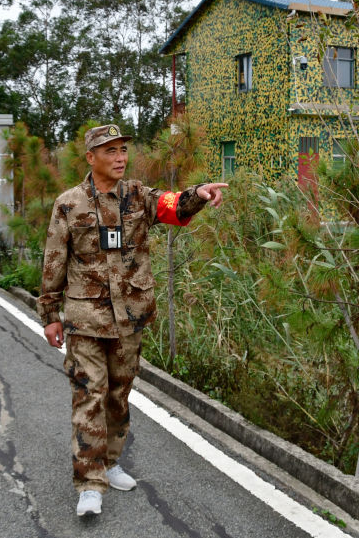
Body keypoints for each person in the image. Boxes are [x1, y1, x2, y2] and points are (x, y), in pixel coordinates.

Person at [39, 123, 227, 517]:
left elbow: (173, 206)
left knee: (118, 396)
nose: (120, 157)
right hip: (85, 318)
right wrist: (49, 314)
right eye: (110, 151)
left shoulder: (139, 196)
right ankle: (90, 483)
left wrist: (200, 195)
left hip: (130, 317)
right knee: (89, 396)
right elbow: (54, 259)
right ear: (91, 158)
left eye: (123, 149)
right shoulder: (69, 203)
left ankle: (110, 462)